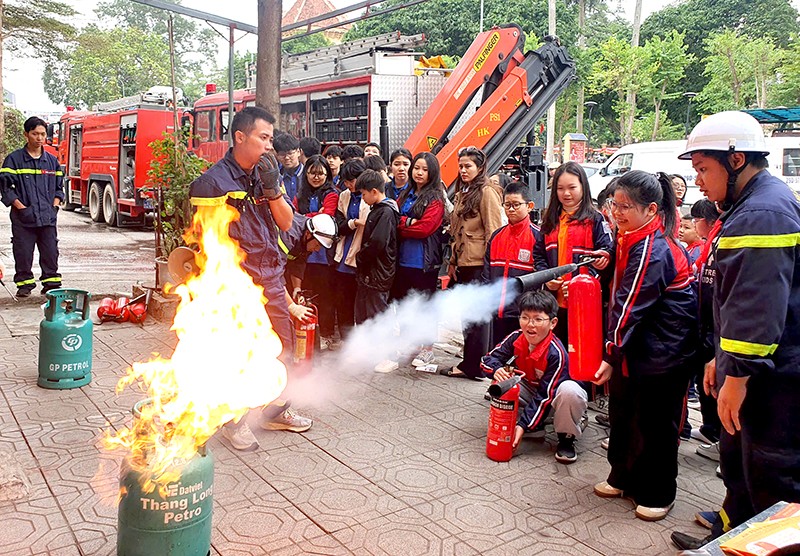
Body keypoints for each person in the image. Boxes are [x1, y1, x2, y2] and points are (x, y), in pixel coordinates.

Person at [670, 111, 800, 550]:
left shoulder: (763, 213)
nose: (699, 182)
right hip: (749, 365)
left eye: (704, 169)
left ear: (737, 159)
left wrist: (737, 373)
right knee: (738, 459)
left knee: (770, 471)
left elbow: (758, 305)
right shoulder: (749, 205)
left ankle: (759, 543)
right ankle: (730, 533)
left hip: (774, 377)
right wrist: (719, 358)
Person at [189, 106, 312, 452]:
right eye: (263, 138)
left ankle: (276, 410)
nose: (269, 147)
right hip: (235, 284)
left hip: (271, 277)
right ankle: (234, 421)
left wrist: (273, 190)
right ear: (240, 137)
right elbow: (206, 245)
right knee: (238, 355)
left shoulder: (265, 176)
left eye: (271, 139)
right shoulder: (213, 183)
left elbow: (287, 224)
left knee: (283, 350)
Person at [592, 170, 697, 522]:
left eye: (625, 207)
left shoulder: (654, 249)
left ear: (651, 210)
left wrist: (610, 353)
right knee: (623, 414)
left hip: (665, 353)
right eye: (614, 204)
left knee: (655, 424)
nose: (617, 213)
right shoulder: (629, 239)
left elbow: (629, 306)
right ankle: (621, 476)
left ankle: (658, 492)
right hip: (637, 349)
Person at [480, 290, 588, 464]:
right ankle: (535, 426)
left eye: (538, 319)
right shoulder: (516, 338)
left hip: (555, 398)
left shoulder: (556, 353)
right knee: (501, 382)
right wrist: (497, 370)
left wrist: (521, 426)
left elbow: (545, 397)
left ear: (552, 323)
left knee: (570, 391)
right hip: (532, 389)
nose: (530, 325)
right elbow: (487, 360)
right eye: (525, 317)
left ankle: (567, 436)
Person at [534, 161, 613, 346]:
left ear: (583, 187)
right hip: (554, 302)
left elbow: (607, 253)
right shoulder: (550, 220)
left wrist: (585, 281)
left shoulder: (595, 219)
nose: (566, 193)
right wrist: (547, 278)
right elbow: (538, 255)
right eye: (560, 188)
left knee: (583, 351)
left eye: (572, 187)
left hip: (586, 303)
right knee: (556, 351)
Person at [444, 146, 504, 379]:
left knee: (477, 317)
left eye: (468, 166)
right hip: (463, 262)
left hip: (479, 263)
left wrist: (490, 268)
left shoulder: (487, 192)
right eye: (460, 166)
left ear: (480, 168)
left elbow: (493, 231)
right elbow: (456, 230)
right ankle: (471, 363)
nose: (463, 170)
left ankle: (475, 366)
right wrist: (452, 261)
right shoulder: (464, 192)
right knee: (468, 315)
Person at [392, 152, 447, 367]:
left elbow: (425, 228)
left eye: (424, 169)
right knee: (405, 304)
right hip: (402, 260)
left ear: (432, 172)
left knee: (425, 306)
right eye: (417, 168)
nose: (419, 173)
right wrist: (408, 222)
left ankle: (427, 348)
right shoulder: (405, 194)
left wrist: (403, 225)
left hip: (424, 262)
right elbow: (394, 219)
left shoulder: (436, 197)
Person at [0, 116, 63, 297]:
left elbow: (59, 188)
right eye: (35, 134)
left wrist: (54, 207)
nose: (39, 138)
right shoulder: (13, 160)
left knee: (51, 251)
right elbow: (6, 189)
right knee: (23, 252)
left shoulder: (52, 162)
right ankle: (25, 285)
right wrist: (22, 208)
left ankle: (51, 283)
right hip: (23, 218)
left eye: (43, 134)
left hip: (47, 216)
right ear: (26, 134)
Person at [483, 181, 544, 347]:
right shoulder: (496, 237)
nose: (510, 209)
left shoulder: (538, 237)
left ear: (529, 206)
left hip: (524, 317)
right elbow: (487, 276)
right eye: (507, 205)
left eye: (516, 205)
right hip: (497, 314)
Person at [295, 155, 339, 350]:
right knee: (305, 294)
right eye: (312, 173)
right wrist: (312, 216)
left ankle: (327, 334)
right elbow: (295, 217)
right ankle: (306, 332)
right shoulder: (300, 194)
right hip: (304, 253)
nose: (316, 177)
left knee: (326, 296)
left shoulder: (332, 193)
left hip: (324, 256)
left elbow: (327, 216)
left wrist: (306, 218)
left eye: (321, 173)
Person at [354, 169, 399, 327]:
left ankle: (380, 350)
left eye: (363, 194)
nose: (363, 198)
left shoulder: (385, 212)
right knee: (365, 315)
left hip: (378, 273)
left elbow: (377, 243)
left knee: (376, 317)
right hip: (373, 273)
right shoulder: (379, 210)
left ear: (374, 191)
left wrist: (360, 257)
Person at [333, 159, 369, 339]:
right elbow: (338, 225)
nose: (348, 185)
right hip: (343, 255)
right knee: (343, 302)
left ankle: (361, 342)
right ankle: (346, 340)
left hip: (361, 257)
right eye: (346, 181)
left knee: (361, 304)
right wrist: (353, 223)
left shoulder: (371, 196)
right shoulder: (344, 196)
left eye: (351, 181)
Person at [273, 132, 303, 201]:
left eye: (290, 153)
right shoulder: (276, 177)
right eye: (282, 154)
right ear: (277, 155)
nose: (286, 157)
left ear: (298, 152)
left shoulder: (308, 174)